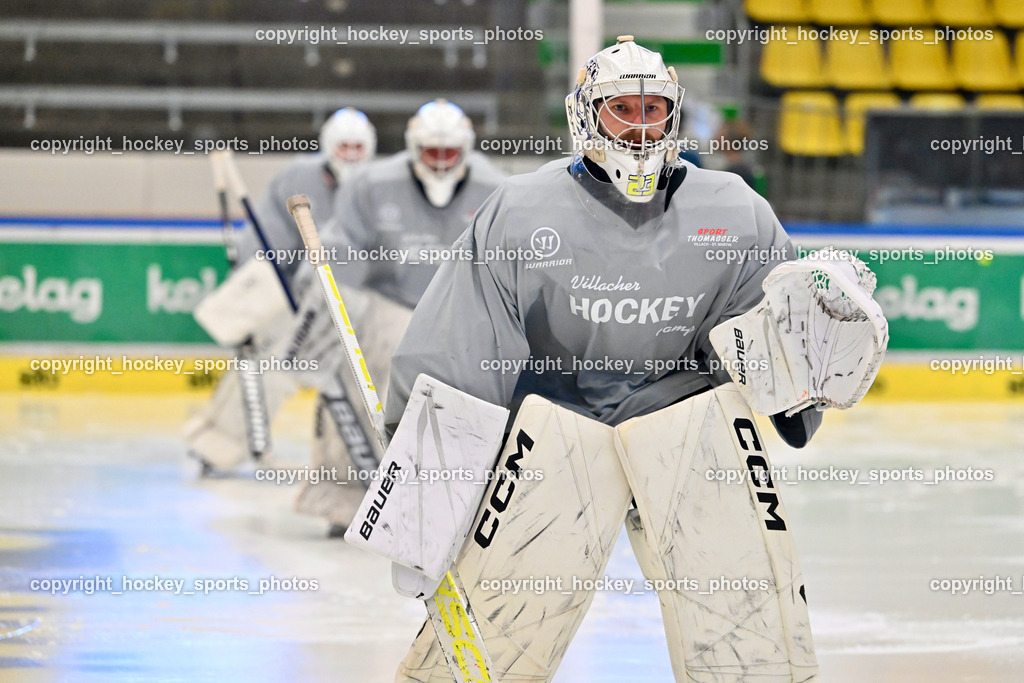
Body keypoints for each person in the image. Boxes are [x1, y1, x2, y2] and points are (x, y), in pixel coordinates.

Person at [377, 37, 883, 682]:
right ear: (586, 114)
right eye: (622, 109)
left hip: (684, 421)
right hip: (555, 428)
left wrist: (812, 343)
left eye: (653, 109)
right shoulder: (520, 209)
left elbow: (770, 341)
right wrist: (425, 504)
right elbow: (461, 348)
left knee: (746, 621)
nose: (640, 126)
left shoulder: (733, 209)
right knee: (495, 637)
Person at [292, 99, 507, 534]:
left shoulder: (497, 190)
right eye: (432, 152)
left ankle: (462, 499)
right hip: (389, 304)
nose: (441, 162)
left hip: (460, 311)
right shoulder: (371, 184)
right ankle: (342, 498)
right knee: (360, 374)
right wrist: (320, 290)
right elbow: (340, 248)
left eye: (450, 153)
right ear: (413, 147)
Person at [183, 108, 376, 472]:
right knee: (270, 367)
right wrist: (258, 286)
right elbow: (266, 240)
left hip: (358, 304)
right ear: (329, 146)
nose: (351, 155)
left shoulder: (379, 187)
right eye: (344, 146)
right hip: (304, 300)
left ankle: (368, 458)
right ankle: (216, 444)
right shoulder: (299, 178)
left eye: (358, 147)